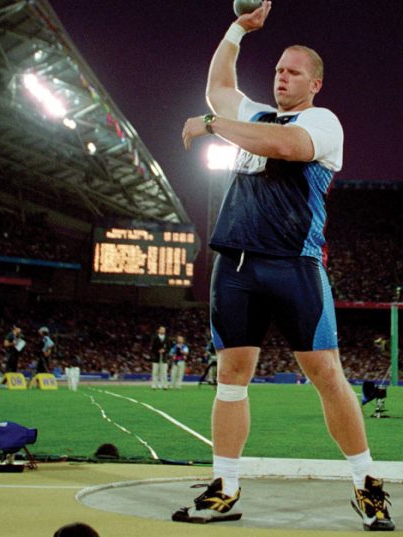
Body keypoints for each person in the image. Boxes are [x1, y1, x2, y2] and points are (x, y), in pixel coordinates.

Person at [174, 1, 394, 531]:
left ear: (315, 83)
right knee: (231, 376)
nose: (282, 77)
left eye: (294, 71)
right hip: (236, 266)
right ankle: (225, 487)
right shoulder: (249, 115)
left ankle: (366, 485)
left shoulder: (322, 122)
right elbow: (219, 89)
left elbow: (283, 144)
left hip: (293, 266)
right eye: (277, 69)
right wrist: (237, 30)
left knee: (326, 376)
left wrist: (211, 124)